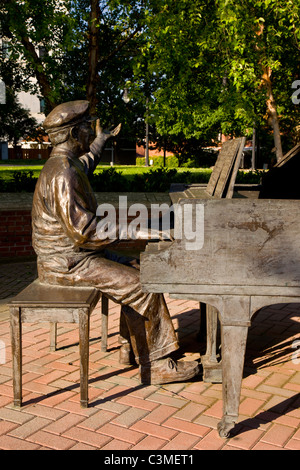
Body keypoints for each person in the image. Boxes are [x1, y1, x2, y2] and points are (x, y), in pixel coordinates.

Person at [31, 100, 199, 385]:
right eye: (86, 127)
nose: (88, 131)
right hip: (67, 263)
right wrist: (138, 231)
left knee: (139, 267)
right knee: (141, 285)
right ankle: (156, 364)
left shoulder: (68, 163)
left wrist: (101, 140)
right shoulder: (63, 173)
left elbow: (87, 163)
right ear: (73, 134)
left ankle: (131, 348)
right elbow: (84, 232)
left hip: (76, 256)